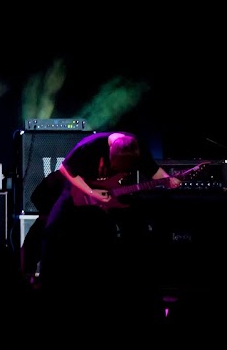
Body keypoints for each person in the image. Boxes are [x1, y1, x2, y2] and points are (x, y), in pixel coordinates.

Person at [37, 131, 180, 324]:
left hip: (111, 195)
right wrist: (91, 192)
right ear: (110, 150)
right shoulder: (90, 145)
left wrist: (168, 179)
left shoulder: (135, 148)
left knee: (133, 232)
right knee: (54, 230)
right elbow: (66, 170)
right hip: (80, 191)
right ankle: (47, 291)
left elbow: (153, 171)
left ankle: (132, 292)